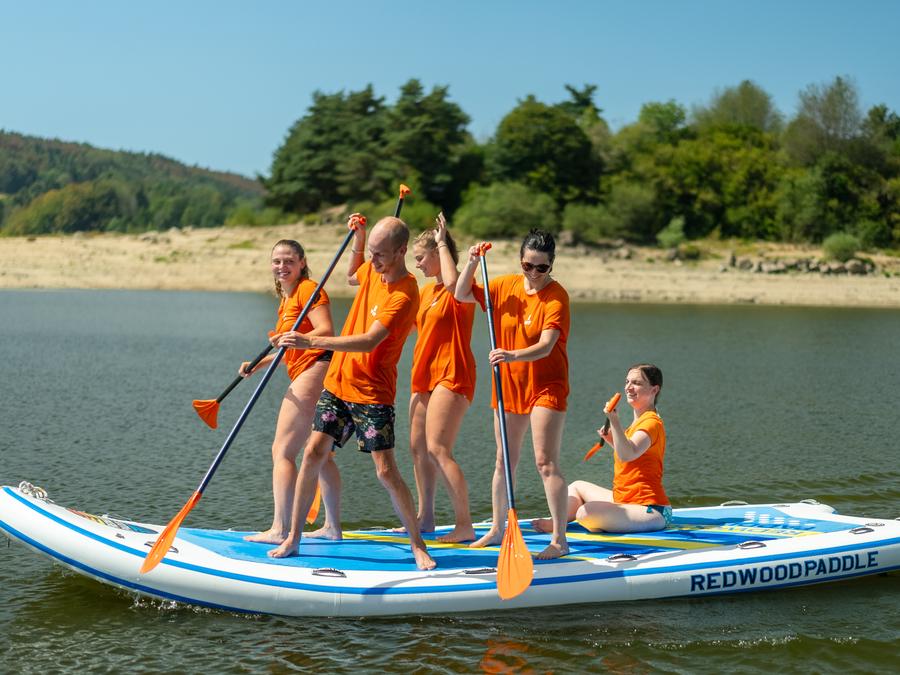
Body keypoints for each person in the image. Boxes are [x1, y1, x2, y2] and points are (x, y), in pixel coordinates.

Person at [268, 214, 437, 571]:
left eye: (380, 255)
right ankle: (293, 537)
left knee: (385, 472)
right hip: (337, 383)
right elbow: (350, 274)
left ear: (401, 251)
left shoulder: (405, 293)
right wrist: (358, 240)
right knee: (313, 453)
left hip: (372, 392)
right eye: (371, 253)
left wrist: (310, 341)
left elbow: (369, 341)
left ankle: (418, 544)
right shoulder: (372, 271)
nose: (373, 262)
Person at [455, 229, 570, 560]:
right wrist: (472, 262)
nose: (534, 273)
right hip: (509, 383)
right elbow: (461, 293)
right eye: (528, 265)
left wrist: (511, 354)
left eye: (541, 267)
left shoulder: (556, 297)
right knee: (504, 459)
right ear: (520, 261)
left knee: (545, 462)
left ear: (551, 265)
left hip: (546, 385)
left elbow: (546, 346)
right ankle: (497, 529)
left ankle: (559, 540)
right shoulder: (503, 285)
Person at [241, 240, 341, 544]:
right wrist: (259, 365)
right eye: (277, 261)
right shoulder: (287, 298)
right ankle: (332, 527)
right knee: (320, 453)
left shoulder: (309, 288)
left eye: (288, 261)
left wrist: (294, 336)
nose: (282, 266)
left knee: (282, 450)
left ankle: (279, 528)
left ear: (302, 262)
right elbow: (292, 348)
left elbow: (325, 331)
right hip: (310, 367)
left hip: (317, 367)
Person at [532, 364, 671, 534]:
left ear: (654, 390)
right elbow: (633, 455)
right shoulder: (640, 422)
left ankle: (599, 524)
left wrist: (614, 421)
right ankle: (556, 523)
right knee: (577, 487)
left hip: (650, 509)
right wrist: (612, 440)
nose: (628, 387)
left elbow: (627, 454)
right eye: (627, 382)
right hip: (625, 500)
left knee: (585, 513)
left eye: (636, 383)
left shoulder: (651, 422)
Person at [406, 212, 477, 543]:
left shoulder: (461, 287)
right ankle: (426, 517)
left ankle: (464, 524)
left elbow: (451, 283)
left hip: (452, 373)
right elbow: (404, 328)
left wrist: (442, 240)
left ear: (438, 253)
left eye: (421, 257)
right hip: (424, 375)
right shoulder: (425, 293)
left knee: (438, 448)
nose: (417, 264)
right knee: (418, 448)